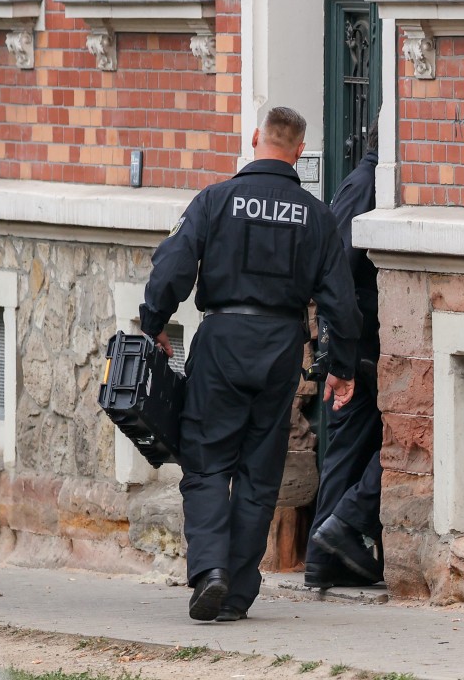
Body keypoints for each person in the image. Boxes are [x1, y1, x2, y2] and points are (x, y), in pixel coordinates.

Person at [138, 106, 362, 623]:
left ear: (256, 137)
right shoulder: (316, 216)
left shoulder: (215, 200)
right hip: (281, 346)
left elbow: (172, 265)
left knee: (207, 461)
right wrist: (342, 366)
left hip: (222, 339)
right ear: (299, 152)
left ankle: (210, 572)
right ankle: (237, 593)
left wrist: (153, 324)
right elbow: (340, 302)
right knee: (260, 471)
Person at [304, 125, 384, 588]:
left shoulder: (362, 180)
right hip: (359, 339)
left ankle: (323, 554)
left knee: (349, 443)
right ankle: (331, 539)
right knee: (364, 438)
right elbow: (341, 269)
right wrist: (343, 351)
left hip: (353, 338)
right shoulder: (368, 182)